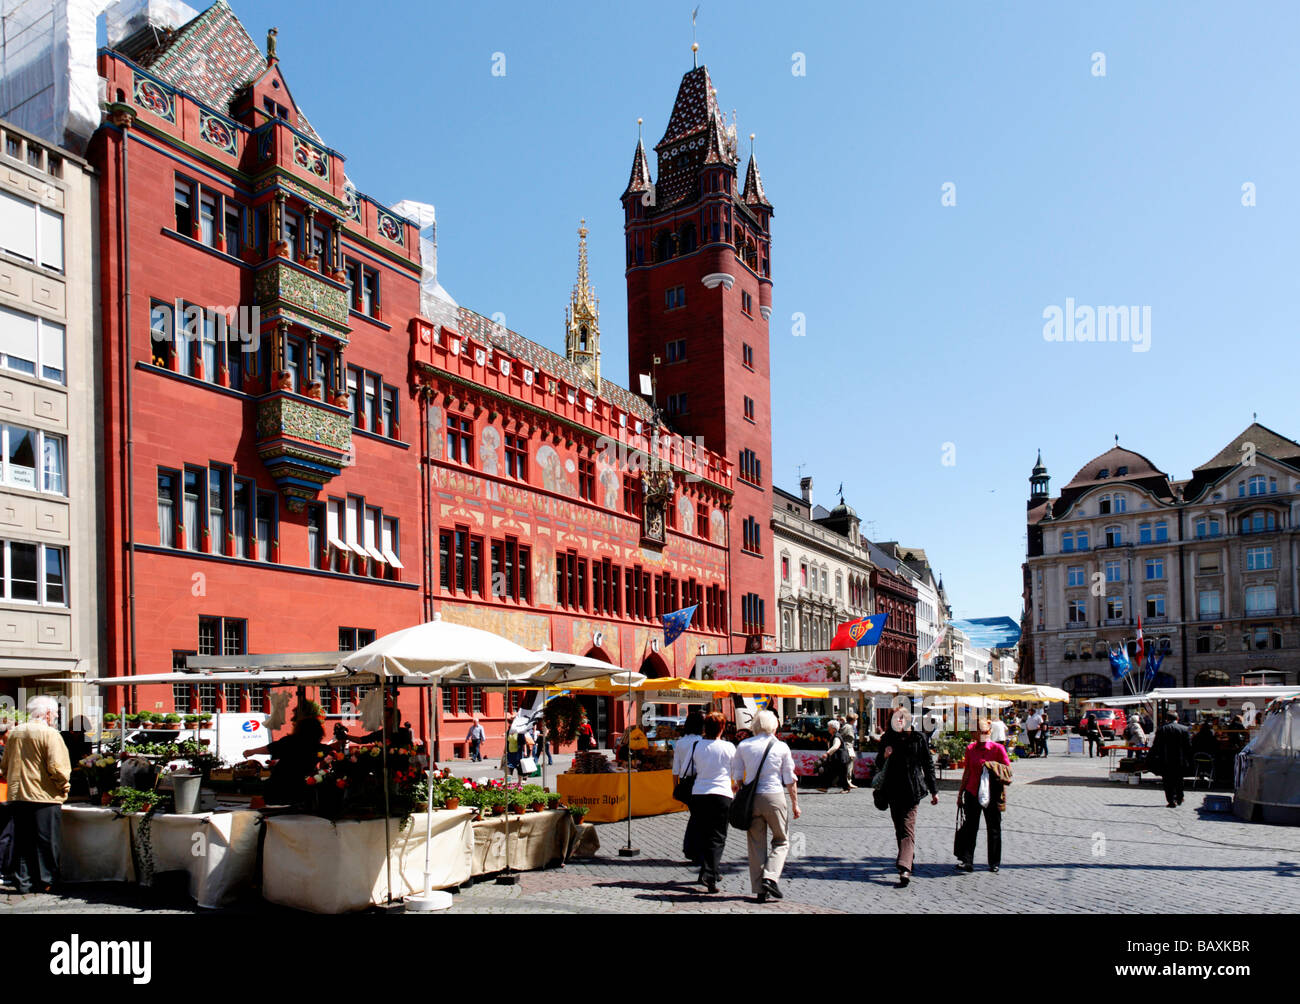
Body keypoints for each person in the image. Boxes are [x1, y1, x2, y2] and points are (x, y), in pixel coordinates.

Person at [1, 696, 70, 894]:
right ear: (47, 714)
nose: (55, 717)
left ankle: (24, 882)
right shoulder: (50, 734)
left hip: (18, 794)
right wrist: (63, 786)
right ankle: (47, 881)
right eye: (55, 714)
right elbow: (58, 767)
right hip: (44, 796)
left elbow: (4, 765)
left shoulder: (15, 733)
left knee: (22, 841)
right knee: (46, 841)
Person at [731, 710, 799, 903]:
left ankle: (760, 889)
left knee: (755, 844)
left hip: (752, 799)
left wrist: (739, 796)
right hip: (774, 796)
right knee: (781, 840)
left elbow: (737, 777)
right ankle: (771, 877)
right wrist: (795, 804)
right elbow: (789, 779)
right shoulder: (781, 747)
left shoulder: (743, 745)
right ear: (774, 725)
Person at [878, 709, 939, 887]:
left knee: (907, 827)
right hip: (893, 789)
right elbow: (878, 764)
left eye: (901, 719)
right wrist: (884, 755)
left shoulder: (918, 738)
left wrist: (934, 790)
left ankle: (904, 867)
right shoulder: (887, 738)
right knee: (899, 827)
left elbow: (928, 765)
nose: (898, 722)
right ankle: (908, 857)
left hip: (912, 789)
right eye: (895, 719)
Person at [954, 718, 1011, 874]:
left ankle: (994, 862)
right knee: (970, 827)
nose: (985, 735)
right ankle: (967, 860)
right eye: (981, 732)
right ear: (974, 734)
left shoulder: (998, 749)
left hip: (992, 793)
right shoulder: (971, 749)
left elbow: (1007, 770)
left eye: (987, 732)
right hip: (972, 791)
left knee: (994, 828)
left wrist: (992, 766)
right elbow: (967, 771)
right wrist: (960, 793)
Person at [687, 711, 735, 894]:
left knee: (704, 834)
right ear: (722, 727)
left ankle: (706, 872)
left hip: (699, 793)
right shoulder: (729, 747)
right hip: (722, 794)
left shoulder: (696, 746)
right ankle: (710, 875)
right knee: (717, 837)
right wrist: (736, 785)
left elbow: (690, 769)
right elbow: (736, 771)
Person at [244, 715, 331, 808]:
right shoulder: (319, 747)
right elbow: (329, 753)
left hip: (280, 784)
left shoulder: (290, 741)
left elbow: (270, 748)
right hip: (301, 787)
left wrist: (252, 751)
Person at [673, 710, 706, 869]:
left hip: (685, 783)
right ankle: (692, 849)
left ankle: (692, 849)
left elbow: (676, 768)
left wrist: (675, 787)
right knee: (698, 817)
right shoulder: (701, 741)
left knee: (696, 815)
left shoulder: (680, 742)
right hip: (699, 782)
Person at [1148, 711, 1193, 808]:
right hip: (1180, 759)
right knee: (1179, 779)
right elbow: (1188, 746)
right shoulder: (1184, 729)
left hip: (1165, 760)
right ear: (1177, 719)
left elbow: (1156, 746)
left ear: (1167, 719)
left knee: (1168, 781)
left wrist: (1152, 757)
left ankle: (1171, 800)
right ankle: (1180, 797)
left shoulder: (1162, 729)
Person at [818, 720, 853, 792]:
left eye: (829, 727)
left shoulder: (836, 737)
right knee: (831, 772)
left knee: (840, 774)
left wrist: (827, 753)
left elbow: (836, 746)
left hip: (840, 758)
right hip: (838, 758)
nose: (828, 728)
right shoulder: (834, 736)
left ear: (834, 728)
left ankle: (846, 788)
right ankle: (825, 787)